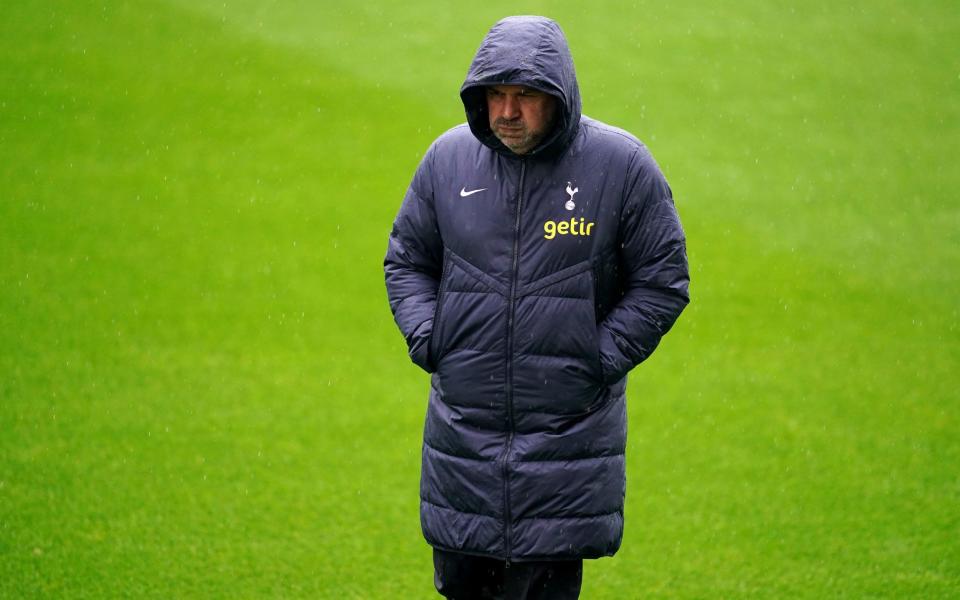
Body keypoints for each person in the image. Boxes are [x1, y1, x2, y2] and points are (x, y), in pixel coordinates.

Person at [384, 15, 690, 599]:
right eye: (495, 96)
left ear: (559, 97)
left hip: (564, 449)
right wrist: (431, 339)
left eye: (525, 96)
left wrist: (594, 360)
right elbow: (407, 260)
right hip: (462, 447)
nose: (507, 112)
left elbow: (663, 280)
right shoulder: (447, 162)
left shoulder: (621, 167)